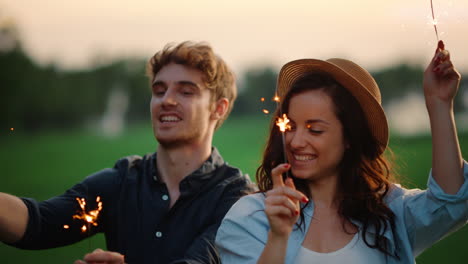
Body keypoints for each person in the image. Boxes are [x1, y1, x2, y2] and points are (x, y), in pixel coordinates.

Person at [0, 41, 253, 264]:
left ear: (218, 108)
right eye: (159, 90)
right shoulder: (122, 180)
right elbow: (39, 223)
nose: (167, 100)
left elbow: (200, 261)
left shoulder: (236, 197)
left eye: (186, 92)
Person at [215, 40, 467, 263]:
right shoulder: (252, 216)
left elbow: (451, 202)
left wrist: (439, 103)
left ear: (350, 138)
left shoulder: (389, 212)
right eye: (290, 126)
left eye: (315, 130)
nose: (295, 141)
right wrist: (278, 238)